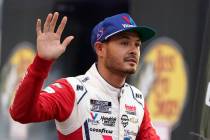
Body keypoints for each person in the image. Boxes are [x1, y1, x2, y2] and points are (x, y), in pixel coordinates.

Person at [9, 12, 160, 140]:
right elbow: (21, 113)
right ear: (100, 49)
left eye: (137, 44)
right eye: (124, 43)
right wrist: (41, 62)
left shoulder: (136, 99)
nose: (134, 50)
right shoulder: (72, 91)